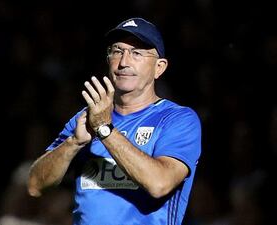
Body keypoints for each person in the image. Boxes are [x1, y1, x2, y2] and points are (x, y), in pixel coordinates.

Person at [27, 17, 202, 225]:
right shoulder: (86, 117)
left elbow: (159, 183)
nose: (124, 62)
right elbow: (35, 185)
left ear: (159, 67)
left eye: (137, 53)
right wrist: (73, 143)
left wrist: (104, 129)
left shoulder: (177, 119)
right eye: (117, 51)